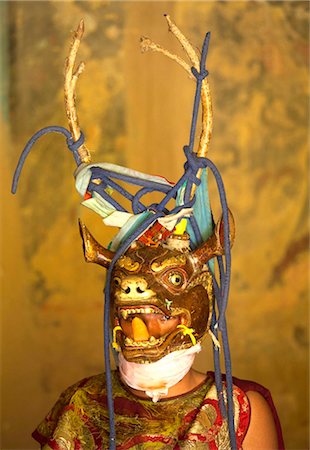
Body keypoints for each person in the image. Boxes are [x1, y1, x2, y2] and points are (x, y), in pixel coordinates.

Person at [13, 16, 284, 450]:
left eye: (173, 282)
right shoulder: (79, 407)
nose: (139, 308)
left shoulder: (237, 413)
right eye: (125, 290)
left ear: (206, 298)